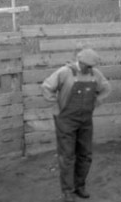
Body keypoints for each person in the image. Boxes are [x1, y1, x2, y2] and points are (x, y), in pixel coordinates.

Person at [41, 48, 112, 202]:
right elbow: (47, 87)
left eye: (92, 66)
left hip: (86, 120)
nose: (90, 69)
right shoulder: (65, 72)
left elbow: (106, 88)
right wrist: (55, 106)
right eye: (87, 66)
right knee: (67, 156)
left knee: (85, 154)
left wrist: (95, 102)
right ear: (80, 62)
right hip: (66, 120)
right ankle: (68, 191)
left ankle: (80, 185)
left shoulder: (95, 74)